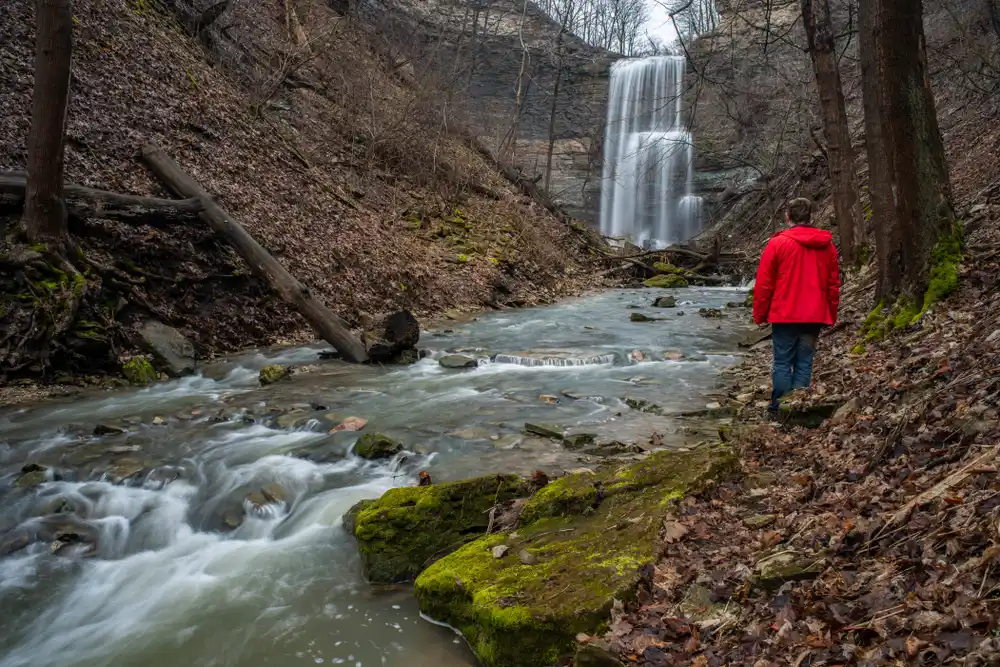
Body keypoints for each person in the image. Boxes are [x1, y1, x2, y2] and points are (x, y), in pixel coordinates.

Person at [752, 197, 841, 415]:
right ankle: (797, 409)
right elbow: (833, 285)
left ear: (788, 216)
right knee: (804, 361)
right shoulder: (827, 246)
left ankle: (778, 409)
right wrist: (830, 313)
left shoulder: (777, 244)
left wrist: (760, 314)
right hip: (814, 315)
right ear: (811, 216)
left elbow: (764, 284)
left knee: (782, 362)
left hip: (785, 314)